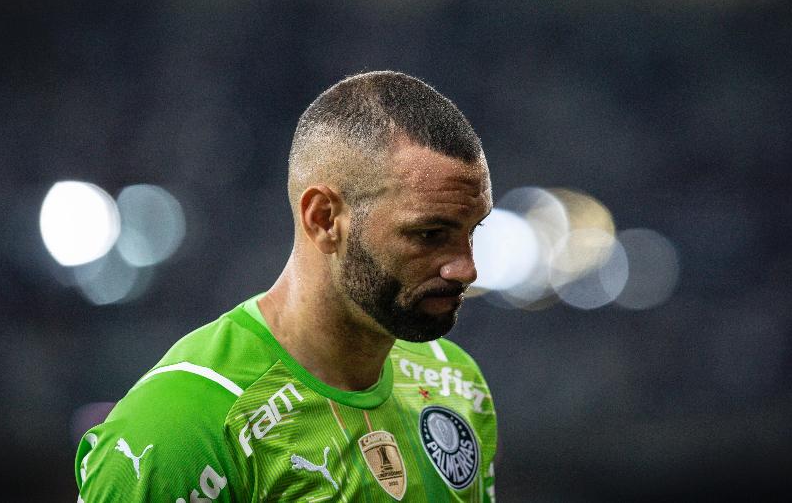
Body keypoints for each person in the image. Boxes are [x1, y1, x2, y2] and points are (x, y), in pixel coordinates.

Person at [75, 71, 497, 502]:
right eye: (429, 234)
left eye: (472, 231)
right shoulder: (179, 430)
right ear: (324, 220)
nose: (466, 269)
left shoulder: (455, 383)